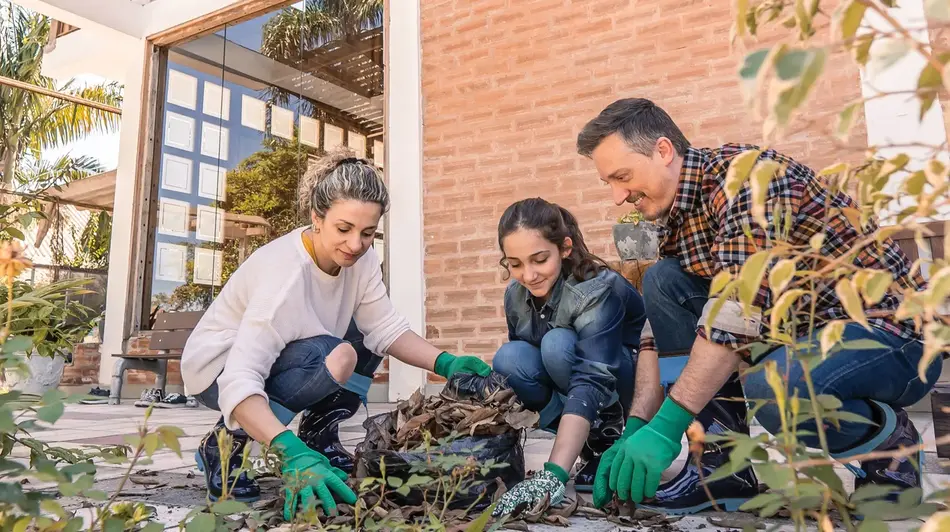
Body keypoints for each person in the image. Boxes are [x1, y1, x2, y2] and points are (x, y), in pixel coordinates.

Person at [575, 97, 937, 514]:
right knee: (663, 280)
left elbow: (735, 314)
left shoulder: (750, 179)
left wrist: (666, 427)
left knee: (775, 390)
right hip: (807, 336)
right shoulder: (680, 215)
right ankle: (721, 468)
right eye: (609, 183)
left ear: (663, 150)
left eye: (622, 177)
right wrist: (636, 427)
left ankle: (892, 451)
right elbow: (660, 333)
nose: (618, 197)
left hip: (895, 336)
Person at [181, 151, 491, 519]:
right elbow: (239, 378)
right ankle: (225, 445)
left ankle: (319, 437)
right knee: (337, 355)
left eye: (367, 233)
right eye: (344, 229)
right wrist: (288, 451)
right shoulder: (284, 278)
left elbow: (384, 327)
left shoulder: (361, 260)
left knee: (363, 341)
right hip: (217, 369)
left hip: (293, 352)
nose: (356, 244)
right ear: (317, 218)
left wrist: (446, 363)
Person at [490, 198, 646, 516]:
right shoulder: (515, 296)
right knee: (509, 359)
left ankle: (606, 435)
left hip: (630, 386)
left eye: (539, 260)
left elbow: (592, 375)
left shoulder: (596, 287)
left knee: (557, 344)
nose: (528, 275)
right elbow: (528, 369)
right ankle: (582, 441)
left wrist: (554, 474)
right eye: (515, 264)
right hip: (576, 385)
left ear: (564, 248)